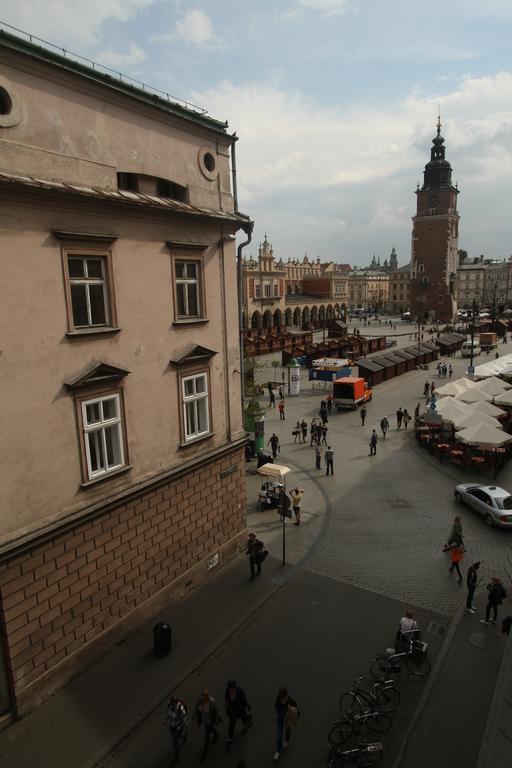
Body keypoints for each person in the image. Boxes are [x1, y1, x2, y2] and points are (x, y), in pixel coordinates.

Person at [274, 686, 300, 762]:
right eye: (281, 697)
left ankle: (286, 740)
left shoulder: (291, 702)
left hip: (288, 720)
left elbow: (297, 712)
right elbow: (276, 707)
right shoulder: (278, 699)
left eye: (283, 697)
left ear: (286, 695)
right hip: (280, 719)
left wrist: (293, 714)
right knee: (279, 736)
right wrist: (278, 713)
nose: (282, 698)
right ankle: (278, 751)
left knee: (288, 730)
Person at [195, 689, 220, 762]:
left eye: (205, 697)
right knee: (210, 728)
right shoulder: (200, 701)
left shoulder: (212, 703)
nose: (203, 698)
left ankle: (204, 753)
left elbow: (216, 711)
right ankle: (216, 734)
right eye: (203, 696)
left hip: (210, 721)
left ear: (208, 697)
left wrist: (215, 719)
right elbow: (198, 711)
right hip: (205, 721)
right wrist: (197, 720)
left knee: (206, 738)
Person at [225, 680, 250, 745]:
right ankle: (230, 737)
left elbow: (244, 701)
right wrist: (227, 704)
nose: (229, 689)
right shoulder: (227, 691)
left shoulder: (240, 691)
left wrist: (246, 710)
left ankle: (245, 726)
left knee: (243, 718)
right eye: (228, 687)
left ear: (234, 687)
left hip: (239, 709)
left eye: (230, 687)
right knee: (231, 725)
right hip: (232, 711)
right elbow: (226, 698)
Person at [166, 694, 188, 764]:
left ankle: (176, 758)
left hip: (178, 726)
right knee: (174, 739)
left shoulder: (180, 708)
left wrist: (186, 724)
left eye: (173, 702)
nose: (172, 703)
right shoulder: (169, 705)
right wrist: (165, 720)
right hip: (171, 726)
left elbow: (184, 717)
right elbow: (168, 713)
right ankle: (184, 736)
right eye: (171, 702)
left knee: (175, 743)